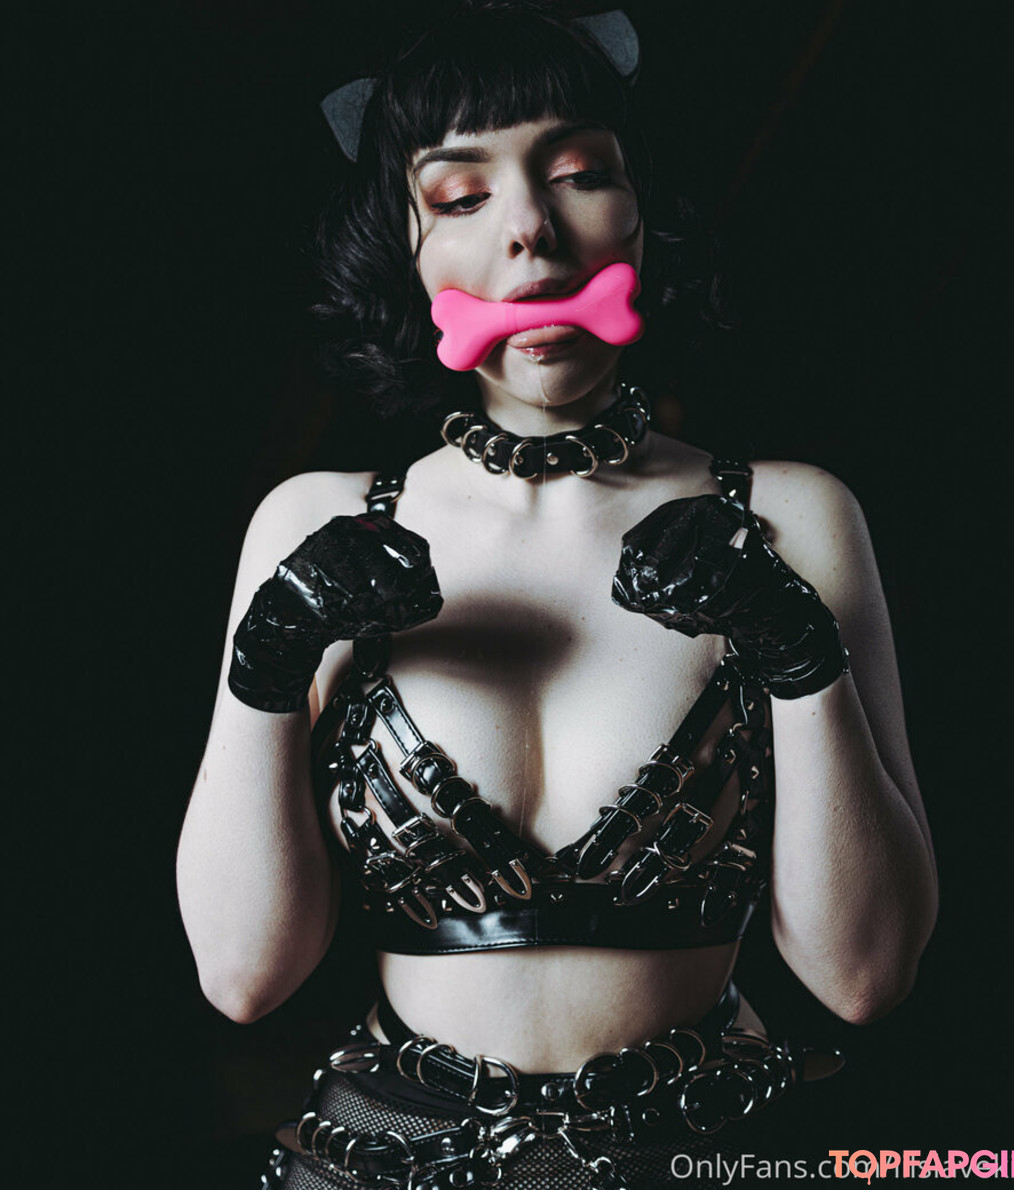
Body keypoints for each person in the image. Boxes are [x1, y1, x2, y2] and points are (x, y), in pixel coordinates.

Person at [176, 4, 938, 1186]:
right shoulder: (314, 523)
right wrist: (266, 665)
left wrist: (798, 652)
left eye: (579, 173)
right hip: (387, 1157)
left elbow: (865, 974)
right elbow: (240, 975)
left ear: (641, 209)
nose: (530, 228)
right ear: (403, 243)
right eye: (461, 195)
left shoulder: (794, 516)